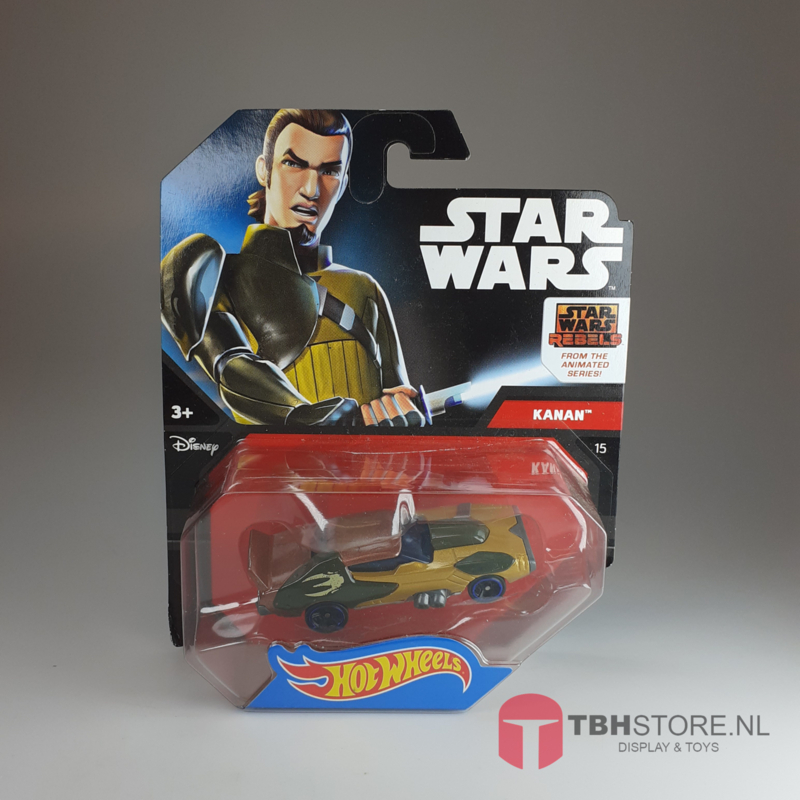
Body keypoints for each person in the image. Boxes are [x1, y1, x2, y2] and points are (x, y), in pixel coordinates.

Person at [161, 109, 423, 426]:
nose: (311, 190)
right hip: (271, 457)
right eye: (294, 164)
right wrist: (302, 416)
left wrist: (402, 414)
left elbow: (397, 395)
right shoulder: (217, 275)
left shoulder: (364, 288)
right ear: (264, 169)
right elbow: (230, 368)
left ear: (343, 185)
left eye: (330, 171)